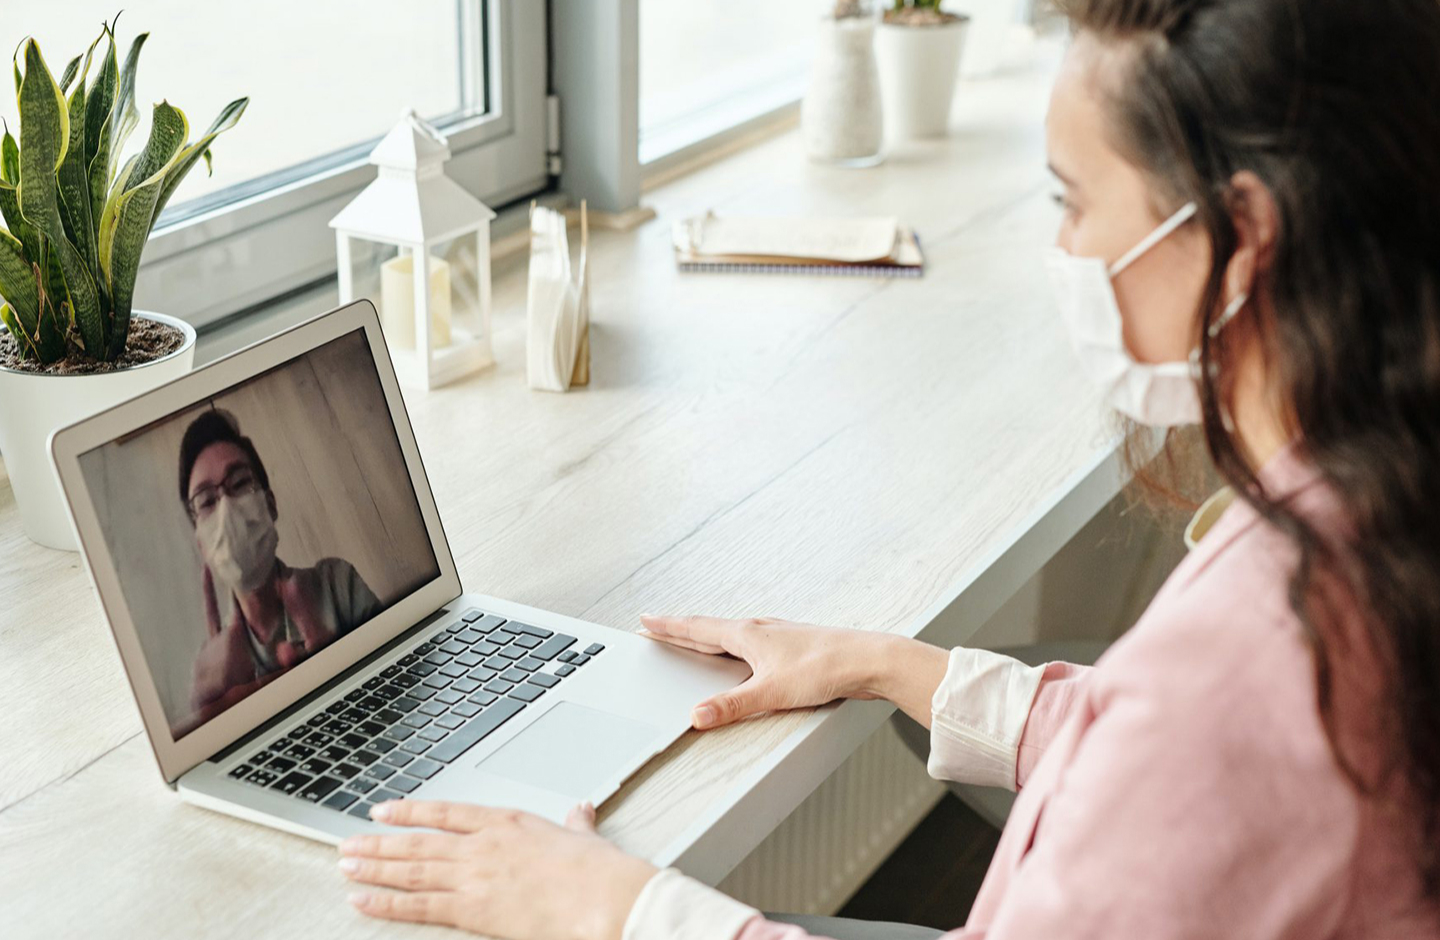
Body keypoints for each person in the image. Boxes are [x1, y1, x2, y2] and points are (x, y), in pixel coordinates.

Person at [330, 0, 1440, 937]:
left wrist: (621, 910)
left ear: (1243, 237)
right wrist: (892, 665)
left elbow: (1198, 738)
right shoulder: (1373, 488)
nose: (1059, 252)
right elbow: (1181, 774)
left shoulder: (1256, 652)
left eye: (1074, 200)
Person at [181, 409, 382, 722]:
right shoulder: (211, 667)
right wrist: (209, 719)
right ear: (201, 544)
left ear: (270, 505)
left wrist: (337, 667)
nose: (227, 509)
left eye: (239, 483)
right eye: (206, 501)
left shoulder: (337, 584)